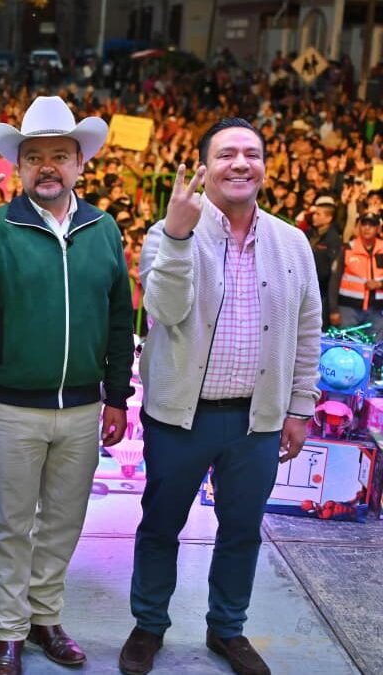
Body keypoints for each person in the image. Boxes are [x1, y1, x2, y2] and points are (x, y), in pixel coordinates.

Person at [0, 95, 134, 675]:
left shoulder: (103, 228)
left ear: (79, 163)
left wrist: (117, 395)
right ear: (18, 168)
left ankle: (46, 619)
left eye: (60, 156)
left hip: (81, 408)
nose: (47, 166)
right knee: (9, 525)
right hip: (12, 408)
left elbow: (120, 315)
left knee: (64, 522)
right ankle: (8, 631)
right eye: (35, 157)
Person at [120, 118, 321, 675]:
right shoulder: (169, 230)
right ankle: (148, 625)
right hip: (181, 419)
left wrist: (300, 408)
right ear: (205, 166)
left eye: (251, 154)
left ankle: (227, 629)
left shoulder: (292, 242)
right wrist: (181, 236)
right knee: (161, 526)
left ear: (263, 167)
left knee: (240, 530)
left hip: (256, 422)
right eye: (227, 153)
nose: (240, 163)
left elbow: (308, 331)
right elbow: (163, 309)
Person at [329, 213, 383, 334]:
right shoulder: (347, 248)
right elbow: (334, 280)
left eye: (372, 225)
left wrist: (380, 284)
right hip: (348, 309)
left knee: (377, 351)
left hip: (377, 311)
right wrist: (333, 309)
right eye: (364, 224)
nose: (367, 228)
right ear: (359, 227)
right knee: (347, 349)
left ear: (378, 228)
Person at [306, 194, 342, 330]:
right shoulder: (309, 233)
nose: (314, 216)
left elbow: (333, 271)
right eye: (314, 213)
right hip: (305, 288)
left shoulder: (333, 239)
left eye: (318, 214)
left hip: (322, 292)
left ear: (329, 218)